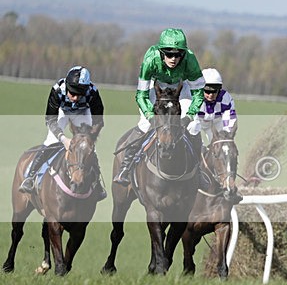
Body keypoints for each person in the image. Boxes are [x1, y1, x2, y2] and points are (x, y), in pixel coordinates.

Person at [113, 28, 204, 185]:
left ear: (184, 53)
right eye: (169, 54)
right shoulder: (150, 59)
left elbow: (199, 94)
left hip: (180, 90)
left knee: (195, 125)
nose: (173, 58)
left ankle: (198, 171)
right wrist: (150, 116)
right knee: (144, 124)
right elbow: (141, 95)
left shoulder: (190, 60)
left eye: (178, 54)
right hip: (156, 89)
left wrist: (189, 116)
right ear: (161, 52)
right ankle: (125, 168)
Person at [19, 66, 105, 197]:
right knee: (50, 142)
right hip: (62, 112)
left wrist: (90, 137)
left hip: (82, 112)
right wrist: (63, 139)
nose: (75, 98)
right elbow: (50, 119)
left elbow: (98, 121)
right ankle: (30, 178)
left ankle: (97, 183)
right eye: (72, 93)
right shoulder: (57, 90)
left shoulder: (92, 92)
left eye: (79, 94)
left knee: (88, 147)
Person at [187, 68, 242, 202]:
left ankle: (229, 185)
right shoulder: (193, 96)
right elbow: (191, 124)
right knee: (194, 146)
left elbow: (229, 122)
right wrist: (199, 146)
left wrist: (226, 139)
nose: (211, 94)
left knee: (225, 149)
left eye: (214, 90)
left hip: (216, 123)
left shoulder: (225, 98)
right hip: (197, 122)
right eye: (207, 90)